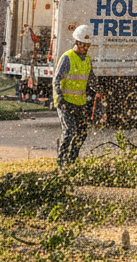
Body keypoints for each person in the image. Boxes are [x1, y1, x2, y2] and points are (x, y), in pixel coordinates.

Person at [53, 24, 93, 169]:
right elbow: (56, 79)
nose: (85, 48)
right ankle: (61, 164)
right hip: (65, 102)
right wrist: (60, 97)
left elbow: (91, 78)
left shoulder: (87, 59)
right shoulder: (67, 58)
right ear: (76, 42)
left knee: (82, 132)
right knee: (70, 131)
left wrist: (100, 90)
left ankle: (72, 160)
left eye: (87, 45)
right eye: (83, 45)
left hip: (79, 102)